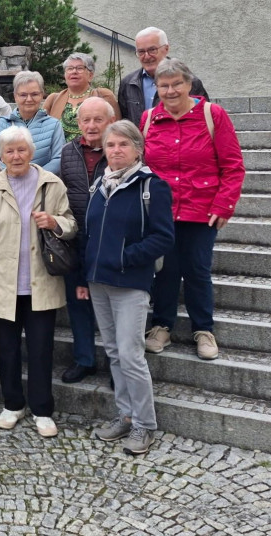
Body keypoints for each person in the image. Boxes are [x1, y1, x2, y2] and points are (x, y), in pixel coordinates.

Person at [0, 126, 77, 438]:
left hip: (40, 283)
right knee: (8, 349)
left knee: (42, 350)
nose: (16, 156)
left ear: (32, 152)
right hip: (3, 285)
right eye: (9, 151)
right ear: (1, 156)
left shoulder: (51, 184)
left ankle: (43, 409)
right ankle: (12, 403)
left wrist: (56, 222)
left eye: (21, 150)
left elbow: (71, 225)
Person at [141, 58, 245, 361]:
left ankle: (203, 329)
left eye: (177, 84)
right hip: (161, 211)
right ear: (157, 88)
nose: (171, 91)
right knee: (165, 271)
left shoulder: (212, 115)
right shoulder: (148, 119)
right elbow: (141, 165)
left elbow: (233, 165)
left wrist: (225, 204)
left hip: (202, 210)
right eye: (164, 85)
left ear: (189, 84)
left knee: (197, 270)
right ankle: (162, 326)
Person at [82, 120, 175, 456]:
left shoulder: (152, 186)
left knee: (131, 355)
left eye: (123, 144)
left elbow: (164, 238)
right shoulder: (99, 185)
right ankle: (125, 414)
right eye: (110, 145)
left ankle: (144, 424)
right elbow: (89, 233)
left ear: (138, 148)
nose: (116, 151)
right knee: (113, 352)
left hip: (130, 283)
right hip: (98, 282)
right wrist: (86, 271)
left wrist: (124, 257)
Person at [56, 96, 116, 384]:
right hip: (78, 245)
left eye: (98, 120)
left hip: (112, 246)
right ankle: (84, 359)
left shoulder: (120, 150)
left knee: (113, 307)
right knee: (80, 302)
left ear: (111, 122)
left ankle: (118, 365)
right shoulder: (67, 152)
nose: (91, 126)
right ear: (78, 123)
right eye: (86, 120)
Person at [117, 27, 209, 127]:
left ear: (166, 49)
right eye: (141, 52)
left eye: (152, 50)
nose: (147, 56)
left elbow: (203, 120)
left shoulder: (190, 82)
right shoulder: (128, 83)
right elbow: (125, 124)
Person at [0, 71, 66, 175]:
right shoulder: (1, 124)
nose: (29, 99)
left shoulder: (54, 125)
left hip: (41, 184)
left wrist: (34, 176)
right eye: (23, 95)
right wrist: (11, 174)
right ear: (15, 96)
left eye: (34, 94)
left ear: (42, 95)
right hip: (7, 183)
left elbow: (59, 158)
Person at [43, 52, 120, 141]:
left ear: (90, 75)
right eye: (70, 68)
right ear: (65, 75)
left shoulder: (104, 96)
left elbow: (118, 130)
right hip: (60, 154)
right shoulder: (53, 99)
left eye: (79, 68)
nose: (74, 71)